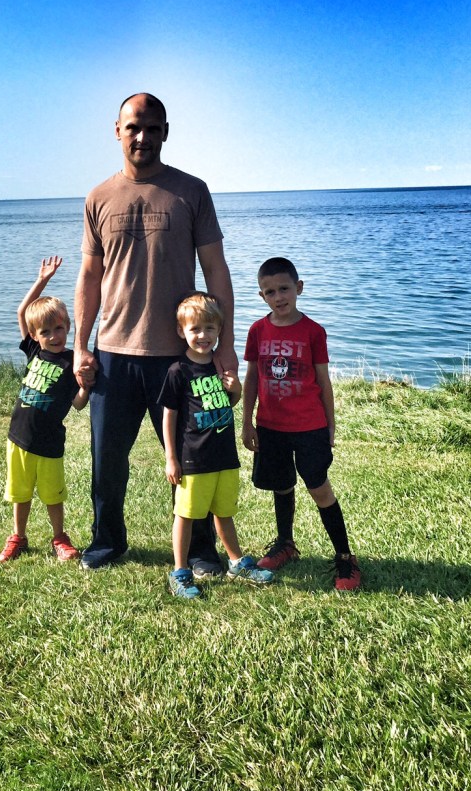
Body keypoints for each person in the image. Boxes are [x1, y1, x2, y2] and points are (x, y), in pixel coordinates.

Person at [74, 92, 238, 573]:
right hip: (114, 352)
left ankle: (201, 550)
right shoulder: (99, 197)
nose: (142, 136)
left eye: (152, 128)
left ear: (165, 132)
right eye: (133, 127)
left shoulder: (191, 191)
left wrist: (226, 345)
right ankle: (107, 541)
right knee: (107, 458)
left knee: (193, 456)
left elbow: (216, 268)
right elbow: (89, 276)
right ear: (117, 131)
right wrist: (81, 346)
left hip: (180, 357)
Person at [241, 256, 361, 591]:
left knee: (319, 488)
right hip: (271, 426)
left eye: (284, 289)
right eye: (269, 292)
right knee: (281, 485)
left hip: (309, 427)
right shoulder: (257, 331)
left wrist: (330, 425)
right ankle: (286, 544)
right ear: (261, 296)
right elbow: (252, 378)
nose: (278, 297)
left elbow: (323, 381)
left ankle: (345, 557)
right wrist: (247, 421)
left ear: (299, 288)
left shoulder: (313, 331)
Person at [160, 293, 274, 599]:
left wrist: (235, 391)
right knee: (185, 515)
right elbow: (169, 415)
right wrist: (171, 457)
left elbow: (225, 406)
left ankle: (236, 562)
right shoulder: (178, 371)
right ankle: (180, 571)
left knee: (224, 513)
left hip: (224, 456)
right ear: (181, 331)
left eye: (210, 328)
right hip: (194, 459)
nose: (203, 335)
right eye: (195, 329)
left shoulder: (220, 365)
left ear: (219, 330)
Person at [0, 256, 89, 563]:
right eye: (46, 331)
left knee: (53, 495)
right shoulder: (34, 351)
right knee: (20, 493)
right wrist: (42, 280)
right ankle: (18, 537)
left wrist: (86, 385)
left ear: (68, 327)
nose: (54, 336)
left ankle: (59, 538)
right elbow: (22, 311)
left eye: (59, 328)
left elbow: (78, 404)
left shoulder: (71, 361)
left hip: (50, 443)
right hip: (19, 438)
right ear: (35, 335)